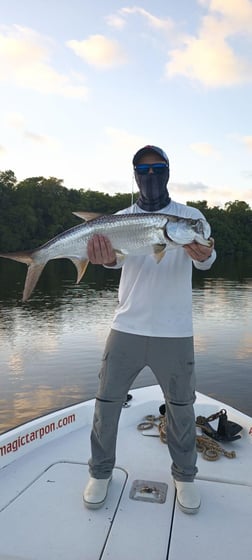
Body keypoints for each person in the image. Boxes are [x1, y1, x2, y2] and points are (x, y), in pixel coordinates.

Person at [83, 145, 216, 514]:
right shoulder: (120, 218)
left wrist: (206, 252)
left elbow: (207, 254)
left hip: (175, 332)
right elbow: (114, 261)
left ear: (168, 171)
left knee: (182, 408)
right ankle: (100, 471)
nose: (151, 176)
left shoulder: (189, 218)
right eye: (144, 170)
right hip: (126, 325)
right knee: (106, 405)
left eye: (158, 168)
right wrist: (104, 260)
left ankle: (185, 475)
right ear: (136, 175)